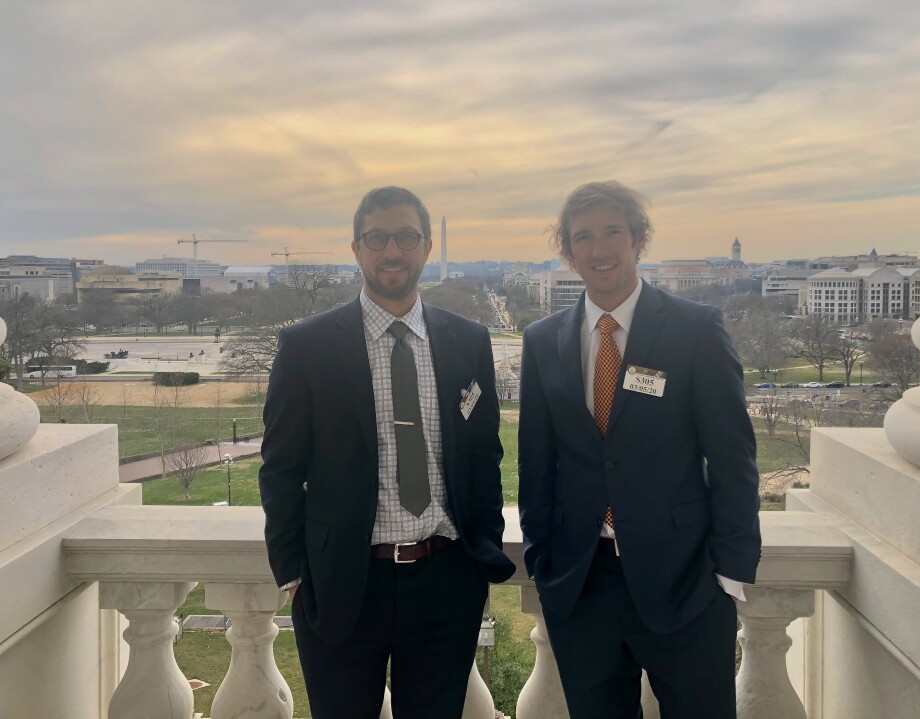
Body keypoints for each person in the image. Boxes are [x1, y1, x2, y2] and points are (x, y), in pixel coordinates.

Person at [259, 186, 515, 719]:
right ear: (356, 248)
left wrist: (480, 551)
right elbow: (282, 468)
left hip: (445, 579)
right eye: (377, 238)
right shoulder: (307, 346)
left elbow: (484, 454)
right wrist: (292, 571)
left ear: (425, 248)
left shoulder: (468, 340)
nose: (391, 251)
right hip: (344, 583)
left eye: (405, 237)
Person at [518, 181, 761, 719]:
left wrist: (732, 570)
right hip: (583, 585)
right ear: (567, 250)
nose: (599, 250)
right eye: (583, 237)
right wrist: (542, 557)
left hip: (687, 581)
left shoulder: (694, 329)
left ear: (639, 239)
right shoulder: (543, 340)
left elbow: (732, 456)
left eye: (613, 233)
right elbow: (536, 463)